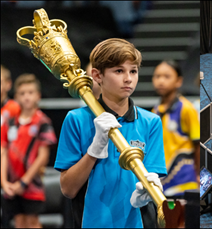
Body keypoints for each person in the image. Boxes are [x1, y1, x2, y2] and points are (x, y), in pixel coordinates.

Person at [55, 38, 166, 228]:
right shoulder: (76, 119)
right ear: (97, 75)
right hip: (92, 222)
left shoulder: (151, 121)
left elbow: (154, 175)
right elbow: (68, 189)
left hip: (139, 221)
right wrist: (94, 150)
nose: (128, 78)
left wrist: (151, 189)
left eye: (133, 71)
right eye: (119, 71)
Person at [1, 74, 56, 228]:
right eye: (22, 93)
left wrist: (24, 182)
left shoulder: (43, 122)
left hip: (32, 185)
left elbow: (43, 156)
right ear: (16, 96)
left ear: (38, 95)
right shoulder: (11, 122)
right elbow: (3, 151)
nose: (26, 97)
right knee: (18, 222)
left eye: (30, 93)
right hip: (11, 185)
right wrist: (4, 182)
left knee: (32, 222)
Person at [151, 60, 200, 197]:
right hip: (162, 180)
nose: (161, 81)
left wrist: (198, 176)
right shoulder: (155, 110)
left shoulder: (186, 108)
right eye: (157, 76)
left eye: (167, 76)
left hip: (184, 179)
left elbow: (197, 144)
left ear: (178, 81)